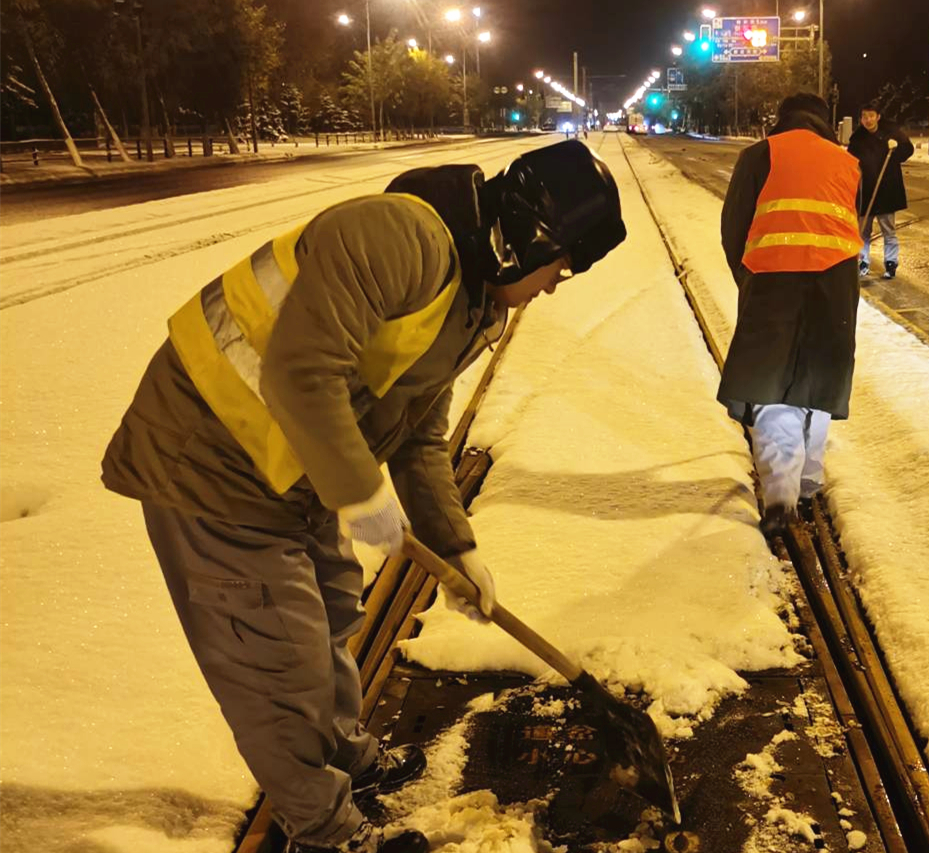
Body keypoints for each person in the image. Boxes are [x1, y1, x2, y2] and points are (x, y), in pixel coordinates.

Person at [100, 141, 626, 853]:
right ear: (529, 239)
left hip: (295, 472)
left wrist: (456, 546)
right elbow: (296, 373)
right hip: (210, 458)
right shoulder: (395, 237)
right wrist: (359, 492)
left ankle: (344, 753)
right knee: (276, 659)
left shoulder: (473, 303)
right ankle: (327, 830)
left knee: (336, 604)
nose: (556, 284)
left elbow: (419, 437)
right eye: (560, 266)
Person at [719, 92, 863, 536]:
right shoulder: (847, 161)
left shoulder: (758, 155)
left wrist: (749, 279)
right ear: (823, 123)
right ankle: (807, 481)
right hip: (835, 285)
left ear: (781, 120)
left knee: (772, 384)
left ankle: (780, 492)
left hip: (773, 280)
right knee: (817, 380)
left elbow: (734, 228)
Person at [847, 101, 914, 279]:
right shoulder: (857, 139)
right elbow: (850, 162)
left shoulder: (892, 132)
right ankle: (863, 262)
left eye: (871, 116)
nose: (868, 120)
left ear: (878, 116)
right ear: (861, 119)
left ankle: (890, 263)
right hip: (866, 191)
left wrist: (897, 147)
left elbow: (909, 150)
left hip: (887, 190)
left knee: (888, 230)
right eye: (864, 116)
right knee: (863, 231)